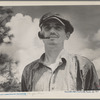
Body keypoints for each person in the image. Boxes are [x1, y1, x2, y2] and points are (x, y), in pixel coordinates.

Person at [21, 12, 100, 91]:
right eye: (47, 27)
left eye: (58, 27)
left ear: (67, 35)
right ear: (40, 35)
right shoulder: (28, 71)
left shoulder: (83, 65)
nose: (52, 31)